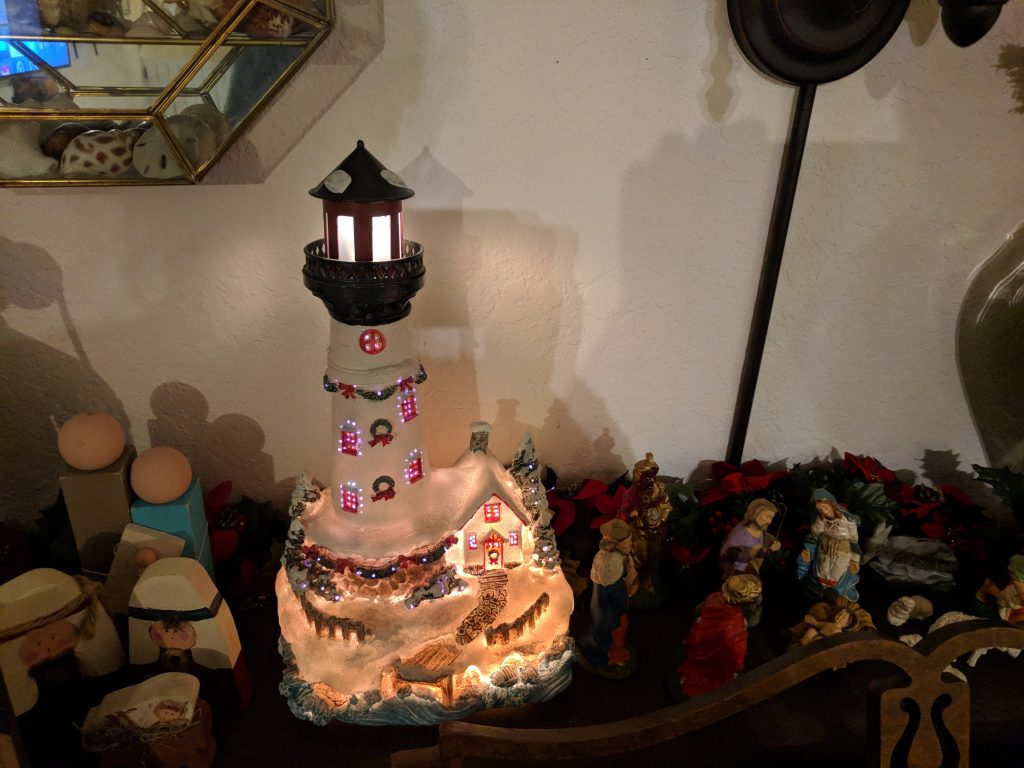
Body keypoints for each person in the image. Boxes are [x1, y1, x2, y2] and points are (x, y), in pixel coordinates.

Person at [677, 574, 761, 698]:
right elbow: (736, 657)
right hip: (714, 659)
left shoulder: (714, 597)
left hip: (698, 645)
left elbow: (700, 617)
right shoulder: (736, 623)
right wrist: (737, 665)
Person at [578, 519, 637, 674]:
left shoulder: (621, 556)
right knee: (611, 627)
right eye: (627, 541)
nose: (630, 544)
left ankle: (617, 650)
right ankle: (605, 655)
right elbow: (606, 583)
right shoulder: (608, 560)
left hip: (617, 595)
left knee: (620, 626)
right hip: (608, 600)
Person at [797, 489, 862, 601]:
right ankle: (823, 588)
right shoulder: (822, 519)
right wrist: (818, 521)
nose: (824, 512)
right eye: (820, 510)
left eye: (825, 508)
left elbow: (854, 540)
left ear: (833, 505)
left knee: (838, 569)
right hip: (825, 545)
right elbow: (816, 532)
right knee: (823, 567)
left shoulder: (847, 521)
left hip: (842, 548)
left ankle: (837, 590)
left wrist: (855, 559)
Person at [719, 498, 781, 579]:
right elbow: (729, 557)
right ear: (755, 514)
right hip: (735, 574)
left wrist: (772, 548)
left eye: (771, 518)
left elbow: (761, 551)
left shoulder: (761, 532)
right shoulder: (740, 533)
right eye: (767, 516)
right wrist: (750, 552)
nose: (769, 521)